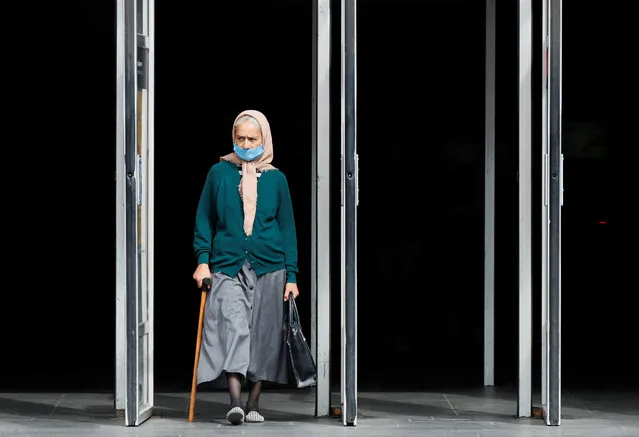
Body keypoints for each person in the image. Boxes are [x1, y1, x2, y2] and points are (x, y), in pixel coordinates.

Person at [192, 109, 300, 425]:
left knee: (264, 337)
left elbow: (287, 228)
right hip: (226, 264)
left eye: (252, 138)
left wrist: (291, 275)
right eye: (240, 137)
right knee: (232, 329)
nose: (245, 143)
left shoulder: (277, 179)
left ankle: (253, 403)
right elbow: (204, 218)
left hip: (270, 266)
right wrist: (202, 261)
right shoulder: (219, 173)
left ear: (263, 139)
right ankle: (235, 402)